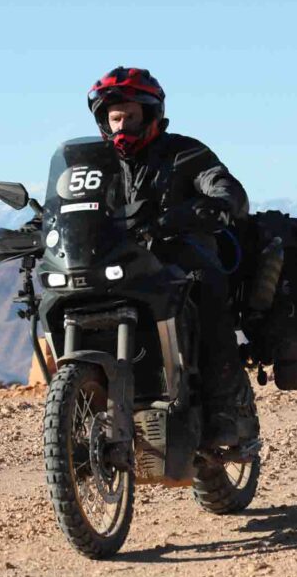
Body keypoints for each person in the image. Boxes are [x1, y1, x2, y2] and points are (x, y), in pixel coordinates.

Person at [87, 66, 249, 449]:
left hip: (180, 258)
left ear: (150, 115)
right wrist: (37, 227)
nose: (122, 125)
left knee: (205, 295)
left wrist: (216, 203)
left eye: (130, 116)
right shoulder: (94, 164)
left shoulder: (184, 152)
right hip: (118, 264)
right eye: (115, 118)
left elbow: (222, 184)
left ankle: (224, 409)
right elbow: (69, 203)